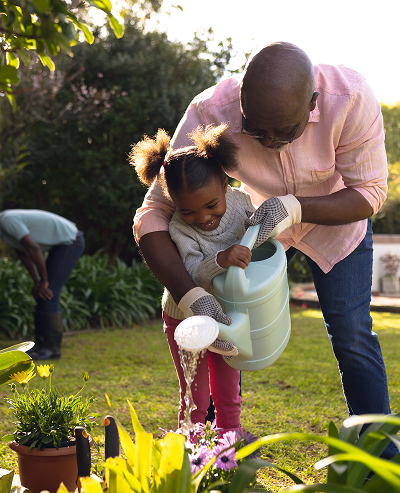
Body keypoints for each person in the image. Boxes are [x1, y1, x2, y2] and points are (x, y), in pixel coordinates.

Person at [133, 41, 398, 458]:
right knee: (225, 325)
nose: (271, 140)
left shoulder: (351, 99)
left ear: (312, 103)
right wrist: (191, 296)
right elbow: (152, 214)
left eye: (285, 130)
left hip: (335, 226)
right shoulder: (210, 112)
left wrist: (294, 207)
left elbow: (369, 192)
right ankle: (211, 448)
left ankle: (378, 455)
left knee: (351, 333)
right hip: (252, 231)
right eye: (257, 131)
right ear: (241, 103)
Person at [130, 123, 255, 433]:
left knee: (228, 382)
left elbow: (255, 231)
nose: (203, 218)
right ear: (173, 201)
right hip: (185, 316)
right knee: (194, 390)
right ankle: (192, 439)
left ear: (225, 185)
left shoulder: (241, 202)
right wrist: (221, 259)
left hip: (224, 309)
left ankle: (231, 435)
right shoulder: (178, 227)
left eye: (211, 206)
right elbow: (193, 273)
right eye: (188, 211)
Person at [0, 209, 85, 360]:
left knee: (49, 293)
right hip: (60, 244)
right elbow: (23, 253)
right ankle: (40, 347)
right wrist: (37, 282)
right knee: (42, 293)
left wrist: (44, 281)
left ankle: (52, 349)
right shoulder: (4, 229)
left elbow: (33, 248)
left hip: (71, 240)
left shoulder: (7, 220)